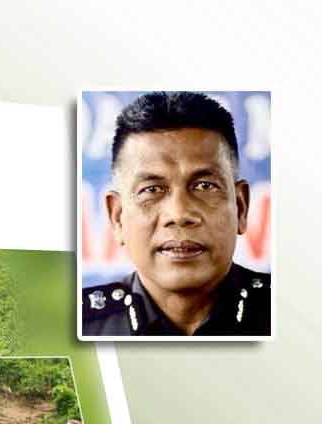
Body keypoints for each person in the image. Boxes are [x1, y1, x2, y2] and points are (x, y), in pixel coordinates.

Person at [83, 91, 270, 336]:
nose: (179, 214)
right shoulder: (76, 325)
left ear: (241, 206)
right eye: (151, 189)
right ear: (117, 217)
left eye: (204, 186)